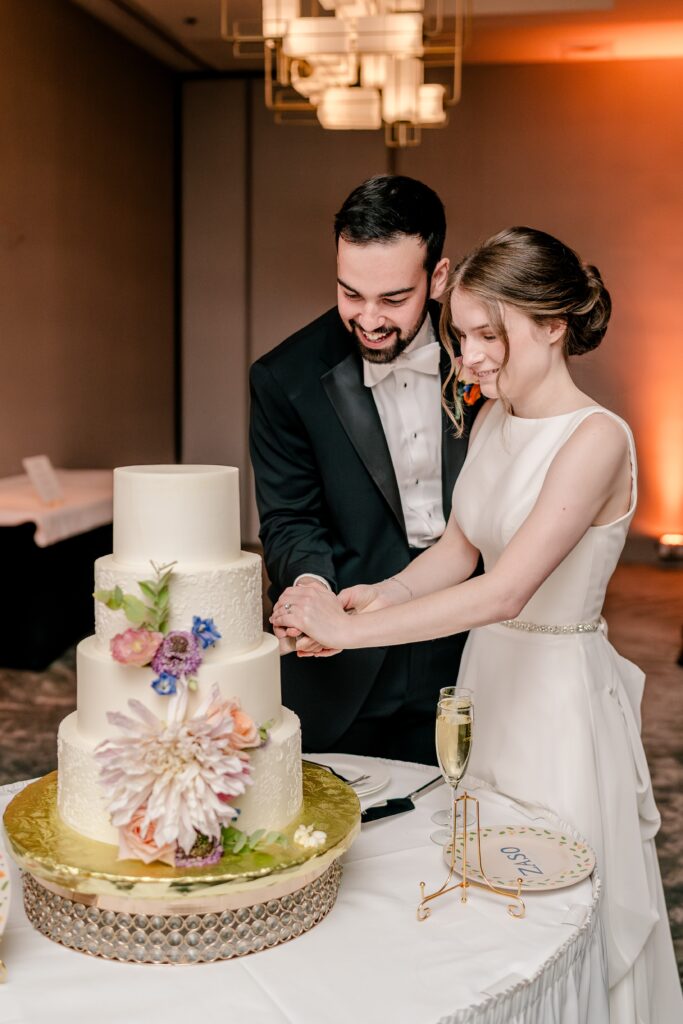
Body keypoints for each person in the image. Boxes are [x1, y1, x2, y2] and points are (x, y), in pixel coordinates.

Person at [271, 226, 683, 1020]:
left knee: (553, 899)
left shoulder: (596, 439)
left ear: (552, 325)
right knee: (483, 885)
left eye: (489, 334)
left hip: (556, 697)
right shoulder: (495, 418)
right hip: (486, 682)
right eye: (461, 333)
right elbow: (459, 551)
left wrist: (348, 631)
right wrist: (374, 597)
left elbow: (507, 590)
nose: (470, 356)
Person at [249, 175, 481, 763]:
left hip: (478, 637)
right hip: (345, 656)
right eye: (351, 294)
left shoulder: (488, 359)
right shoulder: (285, 378)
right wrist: (310, 590)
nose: (369, 319)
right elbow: (290, 518)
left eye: (394, 299)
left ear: (439, 276)